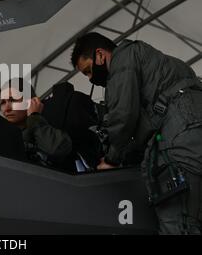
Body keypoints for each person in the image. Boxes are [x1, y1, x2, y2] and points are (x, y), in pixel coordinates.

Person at [71, 32, 202, 235]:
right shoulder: (157, 65)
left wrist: (112, 158)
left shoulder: (123, 59)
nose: (90, 79)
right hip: (191, 129)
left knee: (177, 217)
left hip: (181, 134)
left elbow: (123, 116)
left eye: (88, 71)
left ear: (100, 55)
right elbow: (147, 121)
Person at [0, 78, 73, 170]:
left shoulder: (52, 124)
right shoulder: (1, 137)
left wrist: (34, 118)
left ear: (31, 101)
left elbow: (57, 149)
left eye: (13, 100)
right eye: (2, 103)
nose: (6, 108)